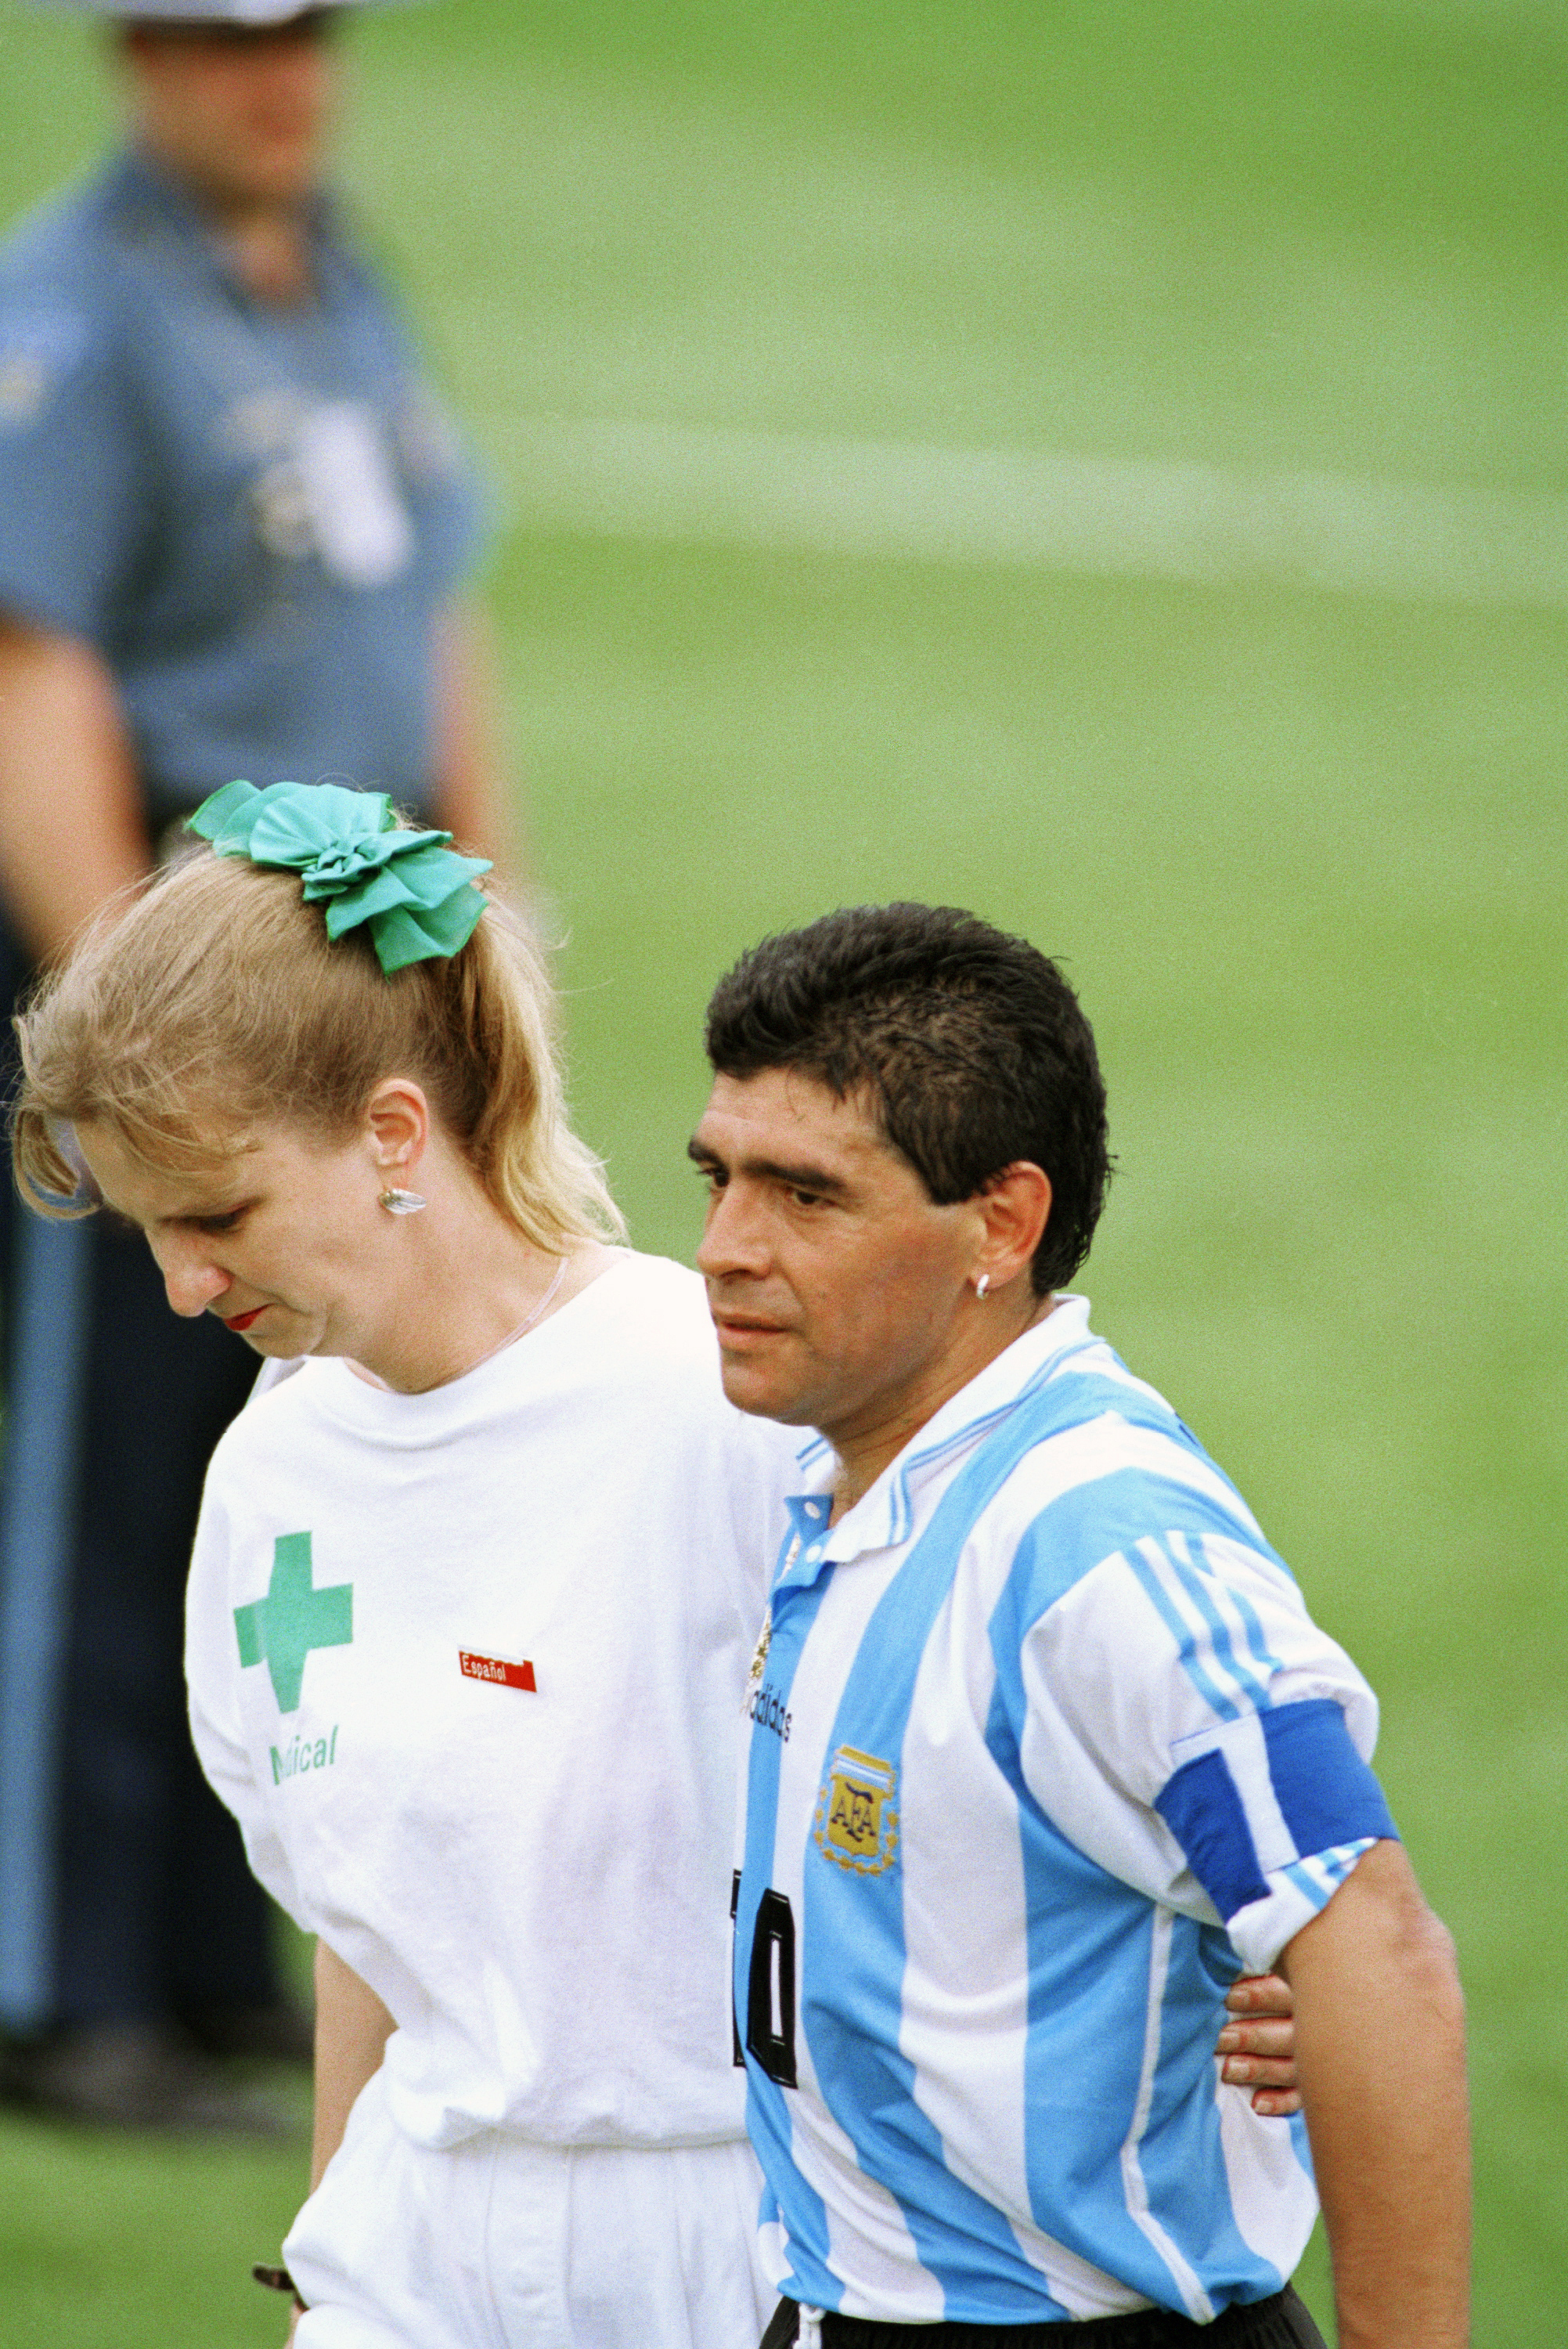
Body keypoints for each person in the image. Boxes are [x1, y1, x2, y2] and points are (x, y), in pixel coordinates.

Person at [9, 796, 1300, 2346]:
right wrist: (332, 2236)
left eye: (218, 1216)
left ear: (394, 1134)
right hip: (416, 2251)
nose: (179, 1284)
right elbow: (375, 1926)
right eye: (146, 1232)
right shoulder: (269, 1474)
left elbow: (1064, 1702)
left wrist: (1260, 1953)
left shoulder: (733, 1400)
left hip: (751, 2238)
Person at [690, 905, 1470, 2348]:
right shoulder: (843, 1470)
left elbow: (1383, 1954)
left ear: (1002, 1222)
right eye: (720, 1176)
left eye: (806, 1196)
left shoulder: (1099, 1544)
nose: (725, 1247)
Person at [0, 0, 502, 2123]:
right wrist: (128, 1019)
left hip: (342, 977)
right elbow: (32, 667)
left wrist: (481, 956)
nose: (272, 75)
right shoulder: (81, 317)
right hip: (167, 968)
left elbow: (432, 619)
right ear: (135, 57)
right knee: (95, 1483)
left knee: (275, 1476)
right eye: (220, 41)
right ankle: (61, 1986)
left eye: (300, 31)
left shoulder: (338, 276)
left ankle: (213, 1967)